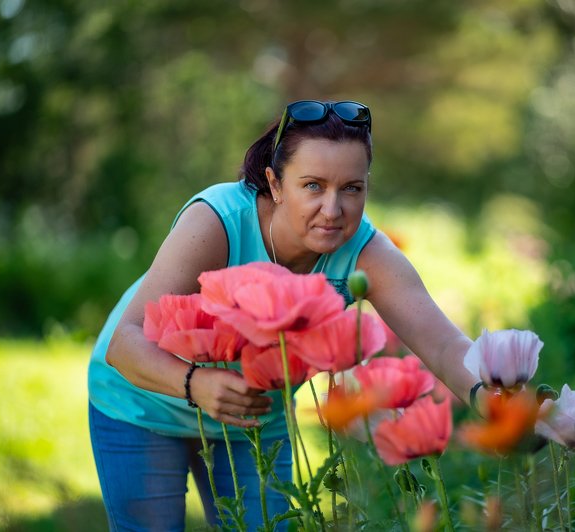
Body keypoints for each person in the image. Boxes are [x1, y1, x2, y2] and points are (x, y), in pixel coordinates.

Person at [88, 99, 484, 531]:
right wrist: (194, 384)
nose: (333, 211)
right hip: (142, 406)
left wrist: (498, 402)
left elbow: (444, 346)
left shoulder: (365, 252)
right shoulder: (217, 221)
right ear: (276, 185)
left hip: (256, 420)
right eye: (313, 186)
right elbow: (124, 343)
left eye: (352, 188)